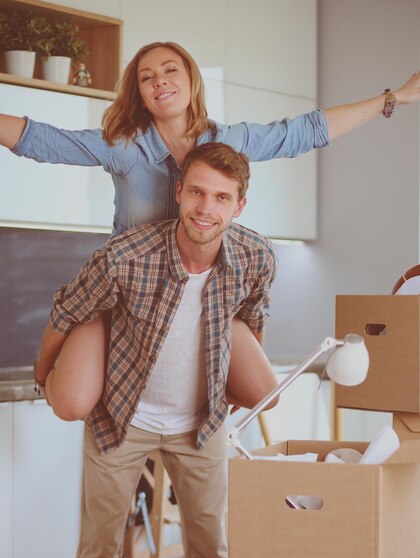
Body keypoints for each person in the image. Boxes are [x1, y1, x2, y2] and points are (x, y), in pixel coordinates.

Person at [3, 41, 420, 420]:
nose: (159, 81)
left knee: (262, 395)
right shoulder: (123, 146)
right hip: (125, 298)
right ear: (139, 94)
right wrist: (46, 369)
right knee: (71, 404)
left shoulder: (225, 141)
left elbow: (305, 131)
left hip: (198, 302)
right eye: (146, 77)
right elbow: (39, 140)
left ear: (191, 81)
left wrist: (395, 98)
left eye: (170, 71)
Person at [35, 142, 277, 558]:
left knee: (212, 554)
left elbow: (252, 321)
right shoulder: (126, 256)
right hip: (122, 418)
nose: (207, 209)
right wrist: (43, 374)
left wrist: (228, 386)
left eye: (222, 198)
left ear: (239, 205)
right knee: (99, 553)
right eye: (198, 193)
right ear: (179, 192)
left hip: (199, 425)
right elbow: (66, 312)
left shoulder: (255, 256)